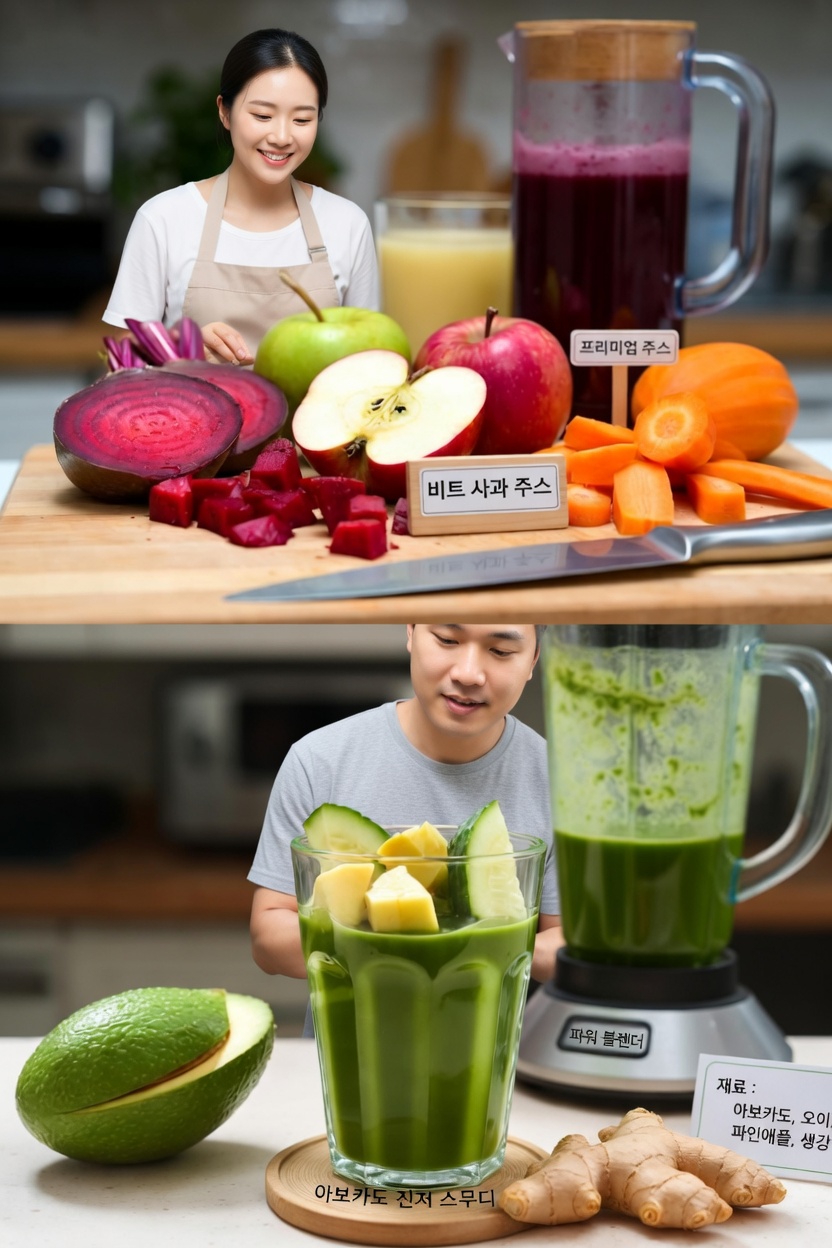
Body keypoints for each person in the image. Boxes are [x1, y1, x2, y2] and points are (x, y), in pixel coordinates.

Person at [248, 623, 562, 992]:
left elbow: (569, 947)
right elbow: (268, 937)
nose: (468, 673)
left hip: (502, 1048)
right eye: (447, 640)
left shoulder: (562, 782)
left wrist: (456, 946)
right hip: (350, 1046)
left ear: (533, 659)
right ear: (411, 631)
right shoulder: (318, 760)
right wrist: (394, 930)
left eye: (501, 651)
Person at [103, 28, 378, 364]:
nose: (281, 136)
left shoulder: (347, 224)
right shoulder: (164, 218)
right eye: (262, 115)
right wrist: (180, 346)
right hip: (194, 416)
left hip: (308, 418)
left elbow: (370, 356)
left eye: (302, 119)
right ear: (225, 112)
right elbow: (120, 359)